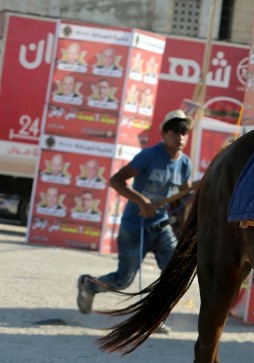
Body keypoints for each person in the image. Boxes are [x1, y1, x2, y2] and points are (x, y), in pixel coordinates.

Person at [76, 109, 193, 315]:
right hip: (135, 226)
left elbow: (185, 194)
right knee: (123, 280)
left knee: (173, 275)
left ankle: (154, 316)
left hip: (161, 227)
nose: (180, 137)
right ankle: (88, 284)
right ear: (164, 134)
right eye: (175, 132)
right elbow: (116, 181)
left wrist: (196, 193)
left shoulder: (184, 164)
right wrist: (142, 201)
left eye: (184, 133)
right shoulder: (148, 155)